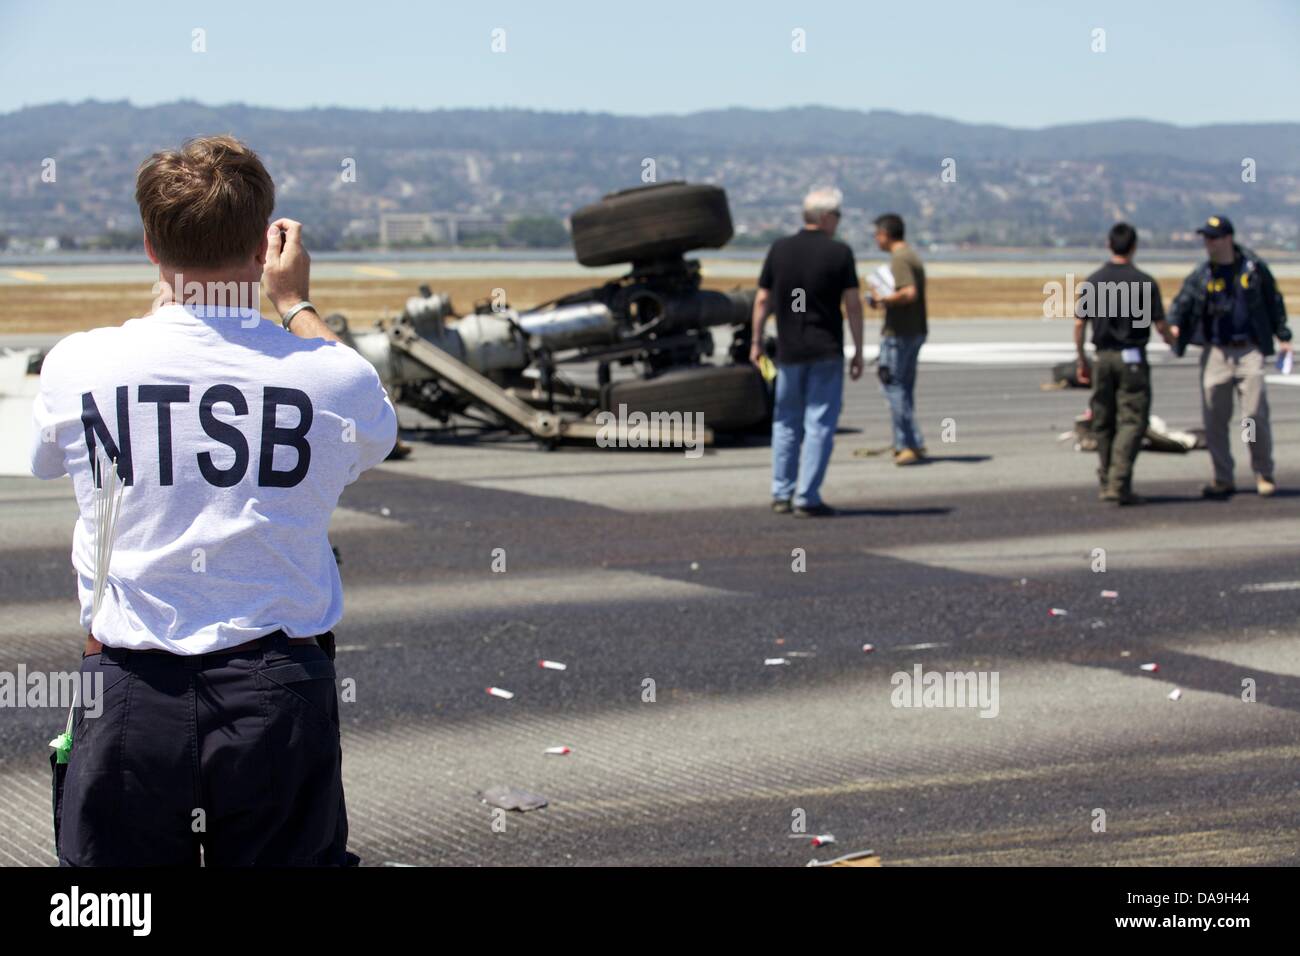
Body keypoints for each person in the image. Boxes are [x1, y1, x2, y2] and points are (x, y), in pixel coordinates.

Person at [29, 135, 397, 866]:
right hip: (278, 691)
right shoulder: (330, 378)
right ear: (266, 248)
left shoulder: (79, 363)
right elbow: (374, 426)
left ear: (148, 247)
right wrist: (295, 305)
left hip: (127, 686)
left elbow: (47, 459)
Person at [750, 186, 865, 517]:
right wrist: (857, 349)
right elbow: (853, 305)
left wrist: (756, 342)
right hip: (825, 349)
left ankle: (780, 492)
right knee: (819, 424)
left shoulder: (780, 249)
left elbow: (762, 300)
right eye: (838, 217)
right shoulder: (840, 253)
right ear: (827, 217)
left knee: (785, 422)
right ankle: (807, 496)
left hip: (788, 350)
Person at [1167, 215, 1292, 499]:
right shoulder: (1203, 274)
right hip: (1216, 351)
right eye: (1205, 238)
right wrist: (1174, 325)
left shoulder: (1254, 268)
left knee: (1253, 415)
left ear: (1228, 238)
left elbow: (1273, 302)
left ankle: (1264, 472)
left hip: (1249, 349)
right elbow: (1183, 301)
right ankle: (1223, 477)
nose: (1208, 243)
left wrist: (1283, 336)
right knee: (1214, 417)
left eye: (1213, 237)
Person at [1072, 222, 1174, 505]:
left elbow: (1080, 324)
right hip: (1132, 358)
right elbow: (1160, 324)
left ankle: (1109, 480)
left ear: (1109, 245)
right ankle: (1118, 481)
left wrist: (1081, 359)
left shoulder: (1094, 281)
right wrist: (1172, 339)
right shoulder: (1143, 281)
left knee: (1104, 420)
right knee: (1132, 420)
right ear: (1134, 246)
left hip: (1102, 357)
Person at [865, 214, 927, 465]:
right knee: (903, 388)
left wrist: (883, 300)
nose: (875, 239)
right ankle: (906, 441)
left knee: (892, 386)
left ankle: (909, 442)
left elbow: (908, 293)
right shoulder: (911, 255)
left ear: (885, 234)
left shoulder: (900, 259)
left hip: (899, 333)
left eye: (877, 234)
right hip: (914, 330)